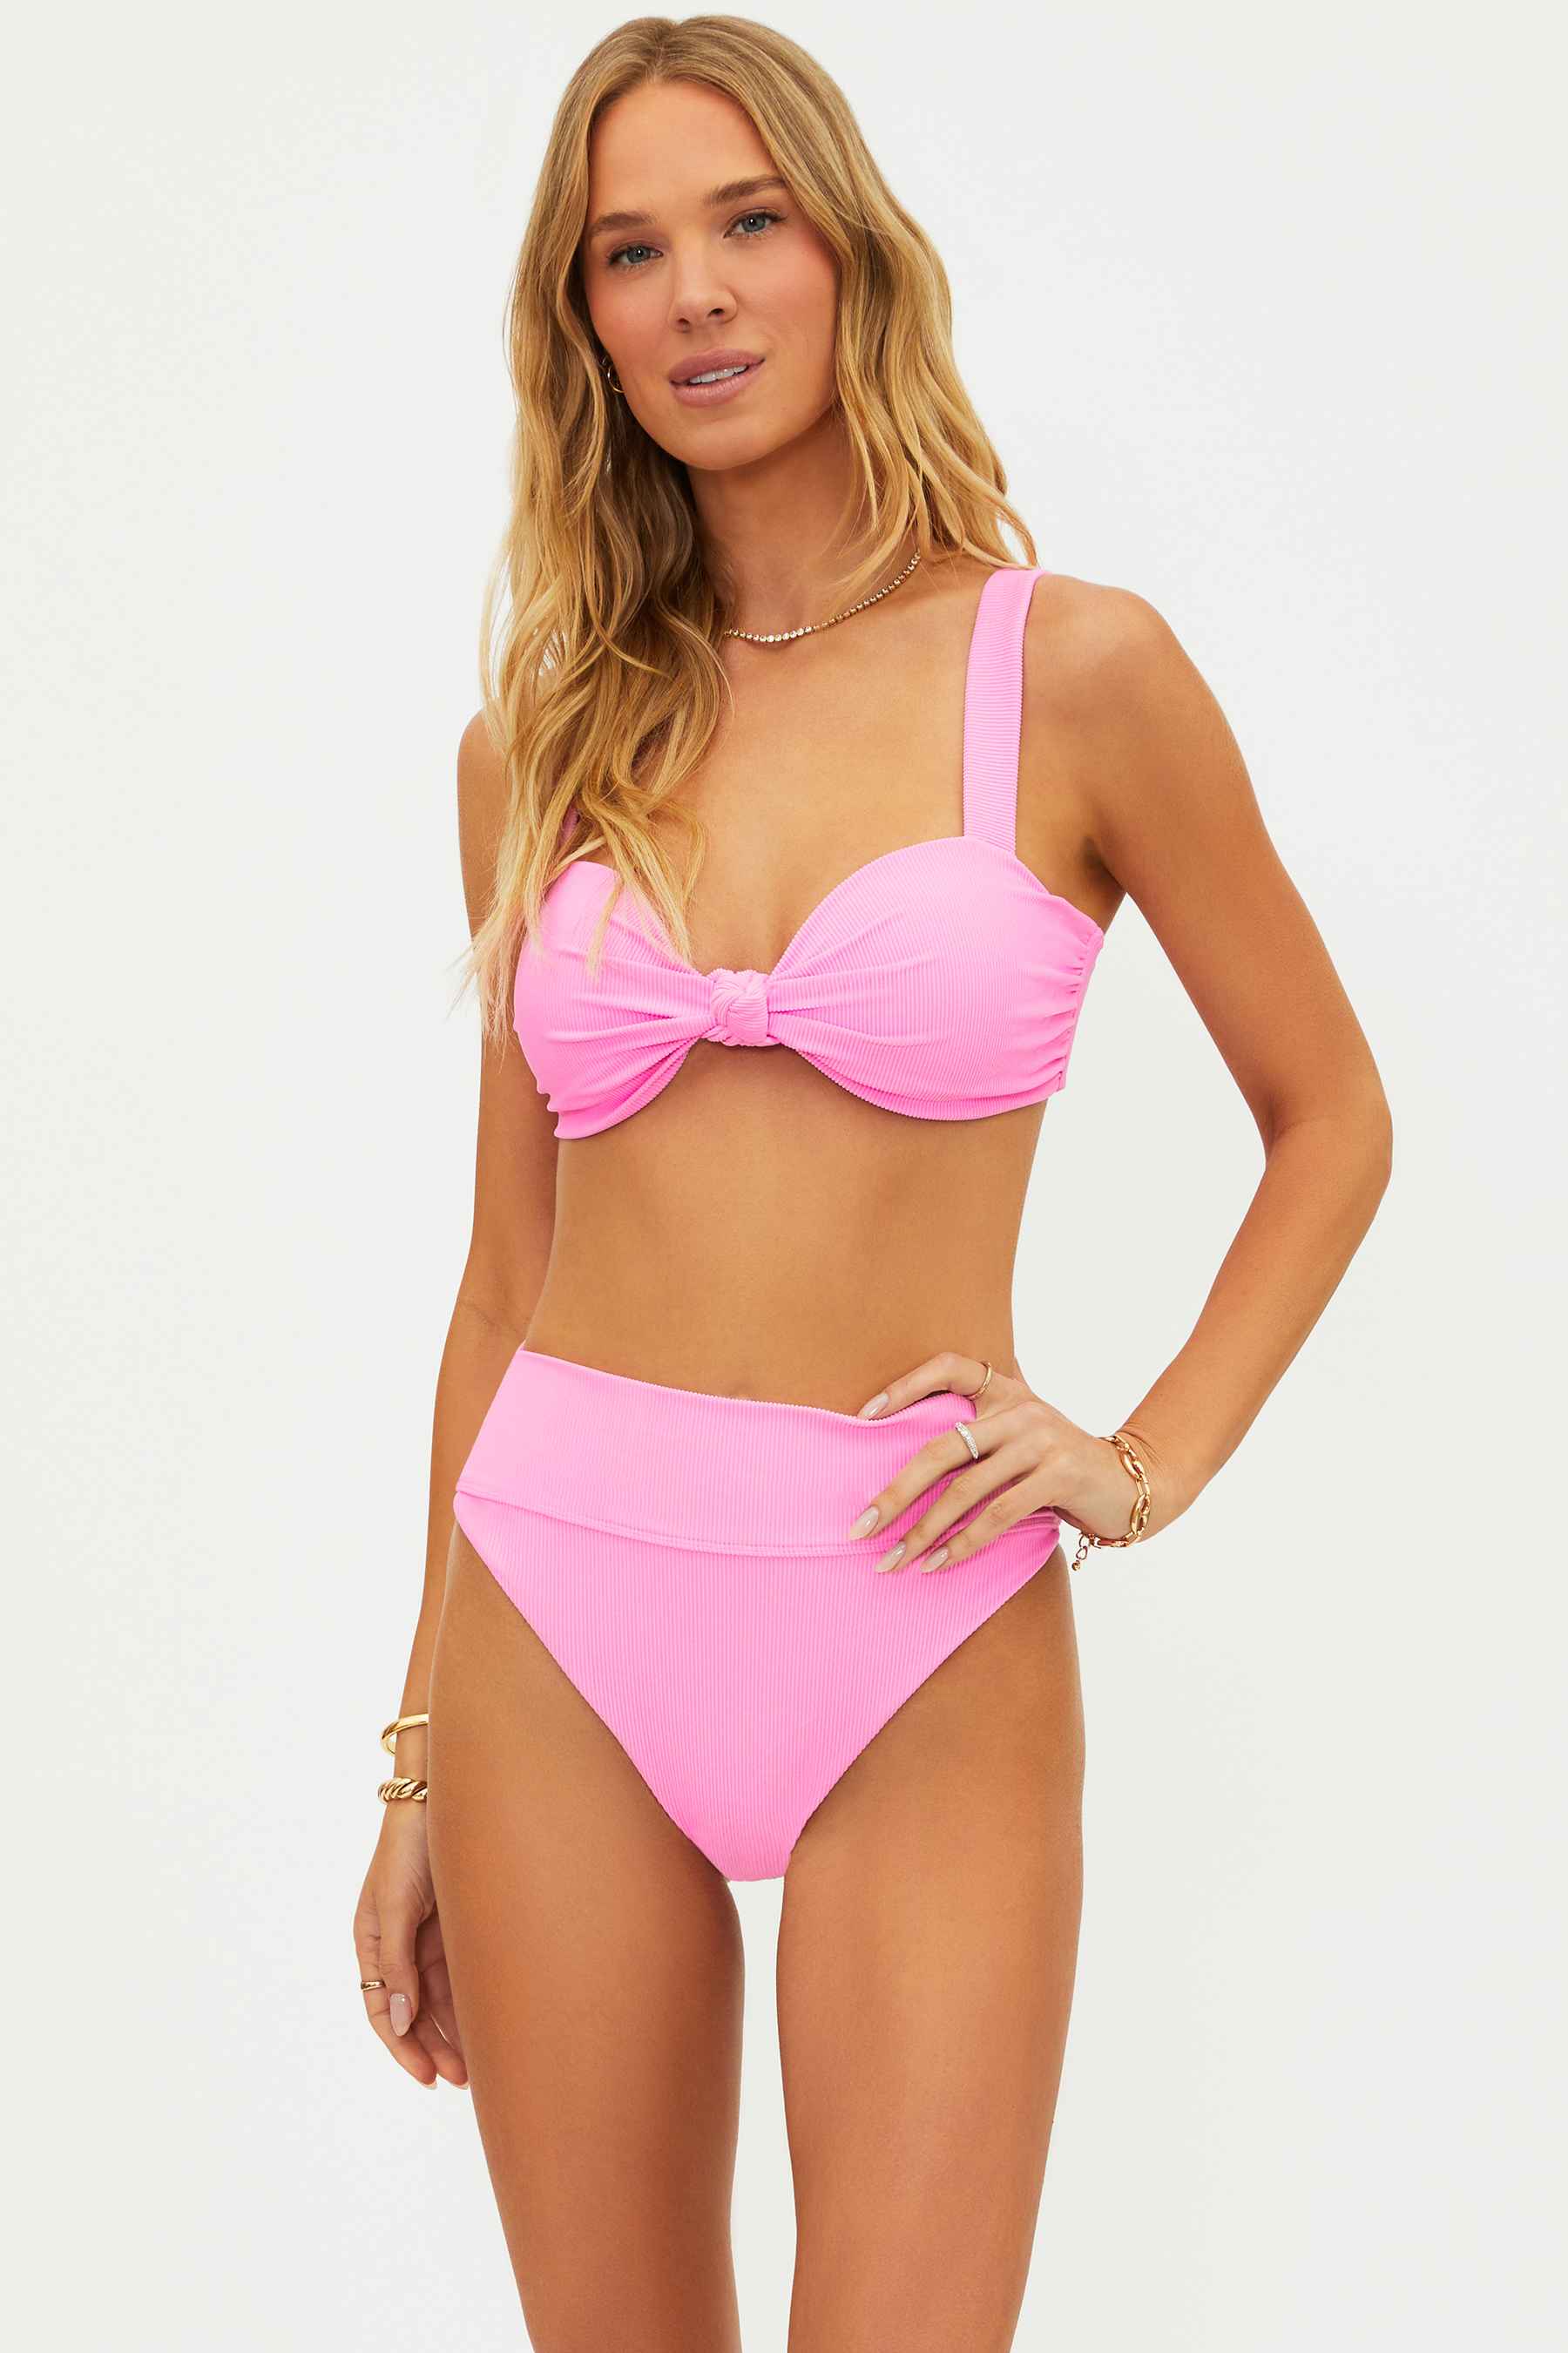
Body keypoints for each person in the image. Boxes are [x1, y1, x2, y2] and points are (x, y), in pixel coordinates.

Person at [353, 17, 1392, 2346]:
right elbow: (504, 1278)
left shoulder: (1078, 675)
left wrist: (1145, 1459)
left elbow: (1332, 1113)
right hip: (553, 1611)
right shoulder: (537, 744)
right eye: (630, 252)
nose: (699, 294)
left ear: (849, 252)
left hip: (920, 1603)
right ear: (581, 323)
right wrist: (414, 1762)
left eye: (749, 222)